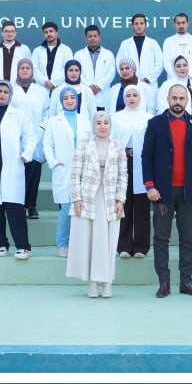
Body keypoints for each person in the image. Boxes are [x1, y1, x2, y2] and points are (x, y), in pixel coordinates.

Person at [141, 84, 192, 297]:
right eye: (175, 98)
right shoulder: (155, 124)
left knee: (187, 237)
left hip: (189, 191)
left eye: (182, 98)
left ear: (187, 100)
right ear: (168, 99)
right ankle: (164, 282)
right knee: (161, 238)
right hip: (162, 192)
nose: (178, 101)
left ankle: (186, 281)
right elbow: (147, 157)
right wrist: (150, 186)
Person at [68, 111, 130, 298]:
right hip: (88, 198)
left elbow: (123, 175)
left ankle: (108, 282)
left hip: (110, 198)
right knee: (89, 240)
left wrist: (121, 200)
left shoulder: (118, 146)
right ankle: (92, 283)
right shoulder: (84, 145)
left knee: (108, 241)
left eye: (106, 123)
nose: (102, 126)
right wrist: (76, 199)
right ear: (93, 125)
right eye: (99, 123)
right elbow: (75, 174)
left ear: (111, 126)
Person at [0, 80, 38, 258]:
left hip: (12, 163)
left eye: (5, 92)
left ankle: (23, 246)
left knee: (14, 208)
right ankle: (1, 244)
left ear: (10, 95)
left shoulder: (19, 115)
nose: (2, 94)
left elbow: (30, 137)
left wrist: (25, 154)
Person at [44, 86, 91, 258]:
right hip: (63, 169)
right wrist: (54, 163)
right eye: (66, 98)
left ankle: (77, 244)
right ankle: (62, 244)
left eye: (72, 97)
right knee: (65, 208)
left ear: (77, 100)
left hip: (83, 168)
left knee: (81, 208)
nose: (70, 100)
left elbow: (91, 143)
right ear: (61, 101)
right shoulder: (54, 121)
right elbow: (47, 145)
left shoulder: (85, 120)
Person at [112, 85, 152, 259]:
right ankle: (123, 246)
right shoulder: (116, 118)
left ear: (140, 96)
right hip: (122, 162)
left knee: (142, 207)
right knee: (123, 204)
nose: (132, 98)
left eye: (135, 94)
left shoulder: (148, 118)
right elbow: (112, 142)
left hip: (143, 164)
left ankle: (141, 247)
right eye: (128, 95)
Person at [11, 57, 49, 219]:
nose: (25, 70)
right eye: (22, 68)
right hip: (15, 137)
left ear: (32, 71)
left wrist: (42, 128)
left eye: (28, 68)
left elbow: (47, 112)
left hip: (36, 136)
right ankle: (18, 205)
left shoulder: (41, 90)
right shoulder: (10, 88)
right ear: (17, 70)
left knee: (33, 171)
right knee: (17, 173)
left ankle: (31, 206)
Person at [115, 13, 164, 86]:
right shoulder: (125, 44)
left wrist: (148, 79)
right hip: (130, 84)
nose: (139, 26)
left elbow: (160, 64)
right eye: (136, 23)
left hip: (149, 84)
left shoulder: (153, 43)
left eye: (141, 23)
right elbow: (119, 63)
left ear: (145, 25)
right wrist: (129, 78)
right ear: (132, 26)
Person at [75, 24, 117, 106]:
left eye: (95, 36)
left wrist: (99, 86)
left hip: (104, 94)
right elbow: (77, 73)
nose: (92, 38)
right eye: (90, 36)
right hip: (85, 92)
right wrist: (88, 87)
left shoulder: (108, 54)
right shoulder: (78, 54)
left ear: (99, 37)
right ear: (86, 39)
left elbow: (111, 73)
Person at [162, 12, 192, 84]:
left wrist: (188, 75)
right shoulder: (168, 41)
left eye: (183, 23)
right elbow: (166, 63)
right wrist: (177, 76)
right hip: (173, 81)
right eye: (178, 23)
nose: (181, 25)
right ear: (174, 25)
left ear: (188, 24)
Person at [0, 20, 32, 84]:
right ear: (2, 33)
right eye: (6, 31)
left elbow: (30, 68)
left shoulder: (24, 49)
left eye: (12, 31)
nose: (9, 34)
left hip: (19, 87)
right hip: (1, 88)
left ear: (15, 33)